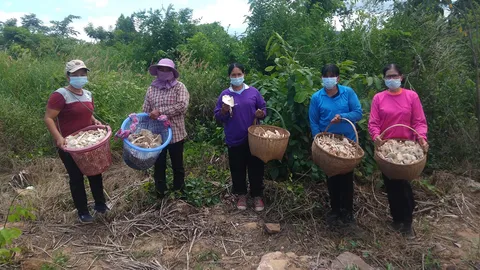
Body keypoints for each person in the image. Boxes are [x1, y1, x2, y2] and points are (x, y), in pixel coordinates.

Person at [368, 63, 428, 237]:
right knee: (390, 184)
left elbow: (419, 121)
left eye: (395, 76)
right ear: (384, 79)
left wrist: (421, 137)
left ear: (401, 77)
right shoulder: (379, 98)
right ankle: (396, 219)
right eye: (388, 76)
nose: (392, 79)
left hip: (407, 147)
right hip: (388, 148)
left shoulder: (411, 96)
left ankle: (407, 222)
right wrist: (376, 136)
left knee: (403, 184)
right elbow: (374, 123)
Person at [44, 59, 107, 223]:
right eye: (76, 74)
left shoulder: (87, 94)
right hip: (70, 144)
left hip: (87, 142)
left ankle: (100, 205)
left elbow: (86, 113)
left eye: (83, 74)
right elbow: (49, 118)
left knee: (95, 172)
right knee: (76, 177)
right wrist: (59, 138)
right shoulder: (60, 95)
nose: (80, 77)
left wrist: (94, 121)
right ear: (68, 76)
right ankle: (83, 211)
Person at [309, 64, 363, 225]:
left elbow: (358, 113)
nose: (329, 79)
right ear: (322, 78)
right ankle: (335, 210)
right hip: (328, 142)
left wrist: (343, 116)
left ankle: (347, 212)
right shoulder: (317, 97)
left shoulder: (348, 93)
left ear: (338, 79)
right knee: (331, 176)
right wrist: (318, 140)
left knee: (346, 178)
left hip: (347, 142)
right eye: (326, 76)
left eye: (332, 76)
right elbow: (313, 121)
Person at [214, 63, 267, 212]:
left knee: (256, 167)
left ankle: (257, 196)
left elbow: (263, 109)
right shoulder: (225, 95)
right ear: (229, 77)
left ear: (244, 74)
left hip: (253, 138)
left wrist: (260, 113)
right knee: (237, 168)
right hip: (234, 137)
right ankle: (241, 195)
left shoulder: (253, 92)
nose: (237, 77)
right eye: (233, 75)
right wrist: (224, 111)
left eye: (239, 74)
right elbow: (218, 116)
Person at [143, 58, 189, 198]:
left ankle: (179, 191)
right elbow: (146, 110)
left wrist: (161, 111)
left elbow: (182, 106)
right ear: (157, 71)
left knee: (177, 164)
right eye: (161, 69)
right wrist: (149, 115)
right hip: (157, 135)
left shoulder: (179, 87)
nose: (163, 72)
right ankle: (160, 192)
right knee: (159, 164)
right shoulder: (152, 89)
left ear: (172, 72)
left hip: (176, 132)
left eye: (166, 69)